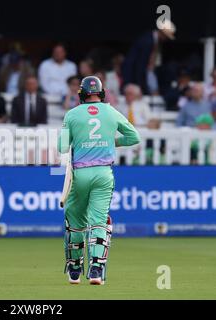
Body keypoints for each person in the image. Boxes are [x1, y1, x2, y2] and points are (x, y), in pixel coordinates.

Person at [58, 76, 140, 285]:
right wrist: (112, 143)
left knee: (75, 223)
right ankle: (96, 270)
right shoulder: (111, 111)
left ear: (81, 94)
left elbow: (61, 147)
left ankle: (75, 271)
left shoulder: (72, 114)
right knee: (99, 221)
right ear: (101, 93)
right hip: (104, 174)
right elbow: (134, 137)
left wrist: (80, 142)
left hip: (80, 174)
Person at [122, 19, 176, 95]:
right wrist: (139, 86)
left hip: (144, 75)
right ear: (162, 33)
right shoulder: (147, 41)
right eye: (166, 36)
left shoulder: (154, 41)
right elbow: (139, 65)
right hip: (134, 78)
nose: (166, 39)